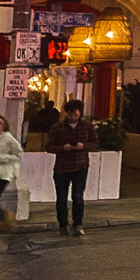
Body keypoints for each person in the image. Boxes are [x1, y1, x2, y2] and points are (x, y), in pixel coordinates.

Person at [47, 99, 98, 238]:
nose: (73, 117)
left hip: (80, 166)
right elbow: (49, 146)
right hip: (62, 167)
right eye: (70, 115)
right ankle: (63, 225)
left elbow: (94, 144)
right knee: (61, 198)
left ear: (80, 114)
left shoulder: (87, 127)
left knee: (78, 196)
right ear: (66, 114)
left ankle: (78, 224)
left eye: (75, 115)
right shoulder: (57, 128)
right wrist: (63, 148)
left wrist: (83, 146)